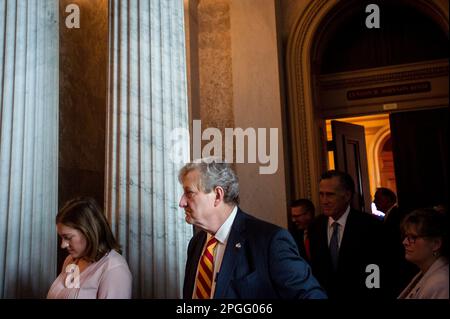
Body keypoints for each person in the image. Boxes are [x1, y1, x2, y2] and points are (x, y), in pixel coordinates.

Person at [179, 159, 327, 299]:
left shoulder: (270, 241)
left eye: (189, 193)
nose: (182, 202)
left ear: (218, 195)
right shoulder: (196, 243)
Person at [308, 170, 384, 299]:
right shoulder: (315, 226)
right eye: (321, 195)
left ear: (347, 195)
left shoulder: (371, 226)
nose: (324, 201)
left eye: (330, 195)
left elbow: (375, 268)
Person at [47, 197, 132, 299]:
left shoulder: (114, 269)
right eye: (61, 237)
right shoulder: (71, 261)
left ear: (88, 232)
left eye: (68, 237)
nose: (63, 245)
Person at [374, 187, 417, 298]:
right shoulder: (388, 216)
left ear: (388, 199)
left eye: (377, 198)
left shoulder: (397, 215)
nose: (374, 202)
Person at [398, 208, 448, 299]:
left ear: (436, 244)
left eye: (412, 237)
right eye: (406, 236)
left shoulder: (441, 283)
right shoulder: (425, 271)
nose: (404, 242)